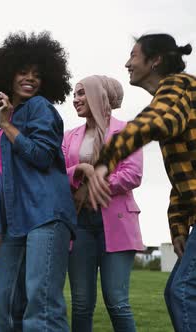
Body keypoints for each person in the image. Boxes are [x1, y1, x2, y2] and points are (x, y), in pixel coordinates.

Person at [86, 33, 195, 331]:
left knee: (182, 292)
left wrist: (105, 161)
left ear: (155, 59)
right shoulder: (178, 95)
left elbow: (159, 122)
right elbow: (185, 172)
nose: (127, 63)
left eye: (133, 56)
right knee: (178, 292)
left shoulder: (179, 86)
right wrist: (178, 225)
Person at [0, 31, 77, 331]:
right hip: (13, 221)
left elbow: (43, 155)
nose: (30, 79)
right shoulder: (9, 116)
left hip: (45, 214)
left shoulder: (40, 108)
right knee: (5, 304)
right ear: (8, 75)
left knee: (41, 304)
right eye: (23, 72)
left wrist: (7, 127)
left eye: (37, 74)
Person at [63, 75, 144, 331]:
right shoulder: (68, 136)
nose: (75, 99)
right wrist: (78, 171)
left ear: (100, 95)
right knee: (81, 303)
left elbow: (132, 174)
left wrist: (91, 189)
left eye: (81, 93)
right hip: (80, 224)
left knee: (117, 302)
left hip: (116, 224)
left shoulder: (127, 131)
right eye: (74, 94)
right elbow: (58, 172)